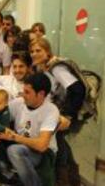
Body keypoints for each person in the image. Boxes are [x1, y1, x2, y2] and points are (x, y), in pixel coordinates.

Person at [0, 73, 60, 186]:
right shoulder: (19, 103)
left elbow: (42, 146)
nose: (23, 95)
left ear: (41, 94)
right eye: (23, 91)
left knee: (14, 150)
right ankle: (12, 178)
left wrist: (14, 137)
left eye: (27, 92)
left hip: (40, 153)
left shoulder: (50, 110)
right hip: (15, 145)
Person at [30, 37, 85, 186]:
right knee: (61, 144)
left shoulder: (57, 68)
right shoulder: (46, 68)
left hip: (65, 113)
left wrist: (68, 115)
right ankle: (72, 179)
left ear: (47, 52)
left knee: (59, 145)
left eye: (38, 50)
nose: (34, 54)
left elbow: (77, 89)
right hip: (58, 112)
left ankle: (63, 180)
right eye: (32, 51)